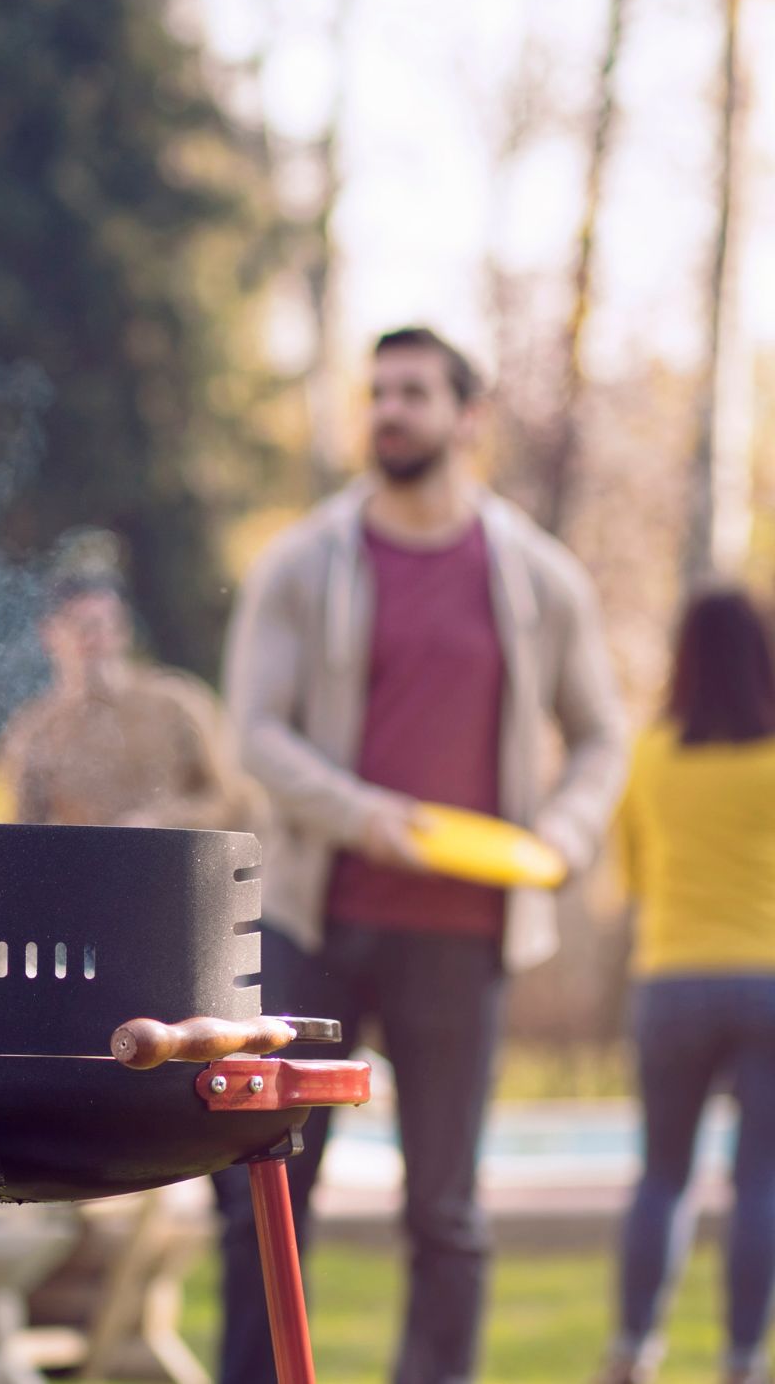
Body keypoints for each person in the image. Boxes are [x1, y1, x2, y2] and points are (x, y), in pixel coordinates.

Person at [218, 325, 627, 1384]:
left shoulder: (536, 574)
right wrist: (363, 814)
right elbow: (254, 729)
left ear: (466, 416)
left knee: (444, 1211)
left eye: (412, 392)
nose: (387, 410)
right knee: (266, 1191)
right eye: (377, 392)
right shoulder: (302, 561)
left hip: (462, 931)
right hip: (311, 918)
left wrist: (565, 839)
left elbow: (600, 735)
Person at [600, 589, 775, 1384]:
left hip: (671, 981)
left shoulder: (649, 756)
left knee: (662, 1174)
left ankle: (634, 1352)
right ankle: (742, 1361)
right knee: (762, 1180)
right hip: (767, 983)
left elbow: (630, 878)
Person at [0, 537, 253, 831]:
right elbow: (22, 836)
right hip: (87, 875)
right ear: (49, 634)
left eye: (102, 622)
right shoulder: (34, 733)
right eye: (78, 625)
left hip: (176, 870)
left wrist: (160, 823)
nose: (92, 636)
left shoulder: (178, 705)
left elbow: (230, 800)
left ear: (123, 627)